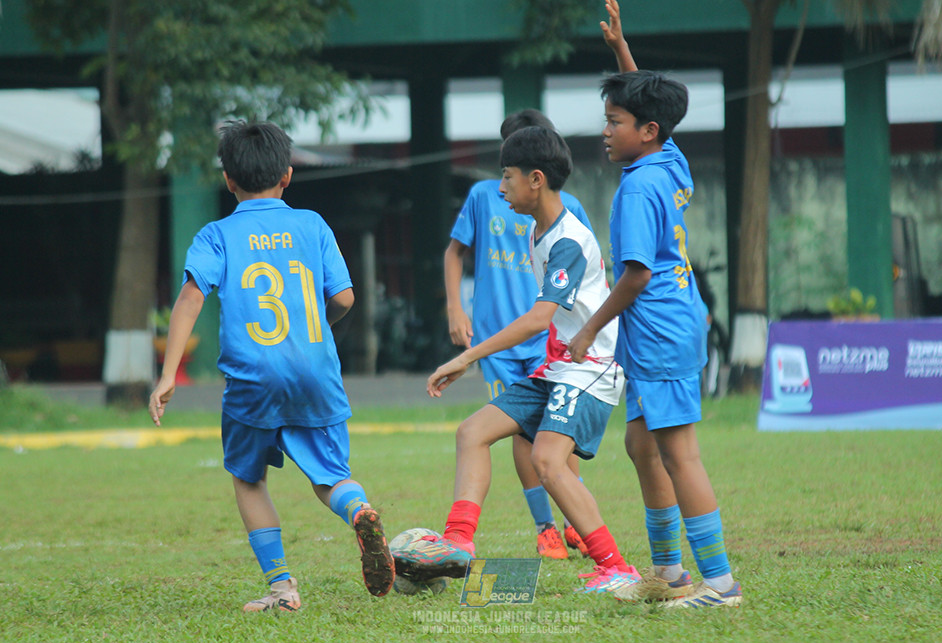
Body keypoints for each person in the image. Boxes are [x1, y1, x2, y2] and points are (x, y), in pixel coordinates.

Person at [148, 120, 394, 611]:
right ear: (287, 175)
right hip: (315, 371)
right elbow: (345, 297)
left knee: (248, 477)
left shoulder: (217, 235)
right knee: (330, 476)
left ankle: (283, 589)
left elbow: (191, 297)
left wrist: (168, 373)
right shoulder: (312, 225)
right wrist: (315, 325)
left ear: (228, 180)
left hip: (252, 377)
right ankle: (358, 510)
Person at [395, 125, 639, 593]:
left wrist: (466, 357)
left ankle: (616, 567)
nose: (501, 187)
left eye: (507, 176)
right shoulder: (537, 231)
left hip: (590, 370)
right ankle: (457, 543)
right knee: (472, 433)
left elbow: (537, 319)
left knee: (547, 461)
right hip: (558, 369)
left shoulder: (567, 240)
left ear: (536, 179)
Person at [567, 61, 742, 608]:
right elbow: (653, 105)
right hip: (665, 329)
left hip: (661, 333)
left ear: (646, 131)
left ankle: (720, 585)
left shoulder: (640, 187)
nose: (605, 131)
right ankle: (668, 573)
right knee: (641, 445)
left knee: (679, 455)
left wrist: (588, 329)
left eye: (614, 121)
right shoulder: (667, 158)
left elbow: (636, 274)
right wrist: (623, 53)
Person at [444, 109, 593, 560]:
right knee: (518, 430)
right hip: (498, 338)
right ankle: (546, 527)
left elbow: (587, 275)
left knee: (557, 429)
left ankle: (576, 522)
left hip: (548, 337)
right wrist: (456, 307)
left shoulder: (566, 212)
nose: (505, 182)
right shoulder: (485, 196)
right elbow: (454, 252)